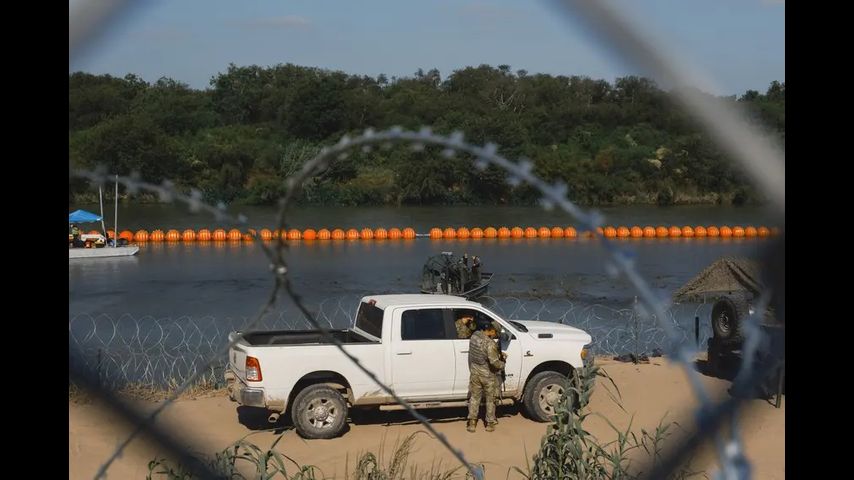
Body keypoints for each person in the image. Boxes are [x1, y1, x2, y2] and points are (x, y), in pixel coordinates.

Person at [466, 319, 508, 432]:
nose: (495, 335)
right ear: (490, 330)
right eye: (494, 332)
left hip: (475, 373)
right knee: (491, 400)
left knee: (474, 398)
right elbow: (494, 362)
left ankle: (472, 423)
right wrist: (503, 363)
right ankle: (489, 423)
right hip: (487, 376)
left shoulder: (474, 336)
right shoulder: (490, 344)